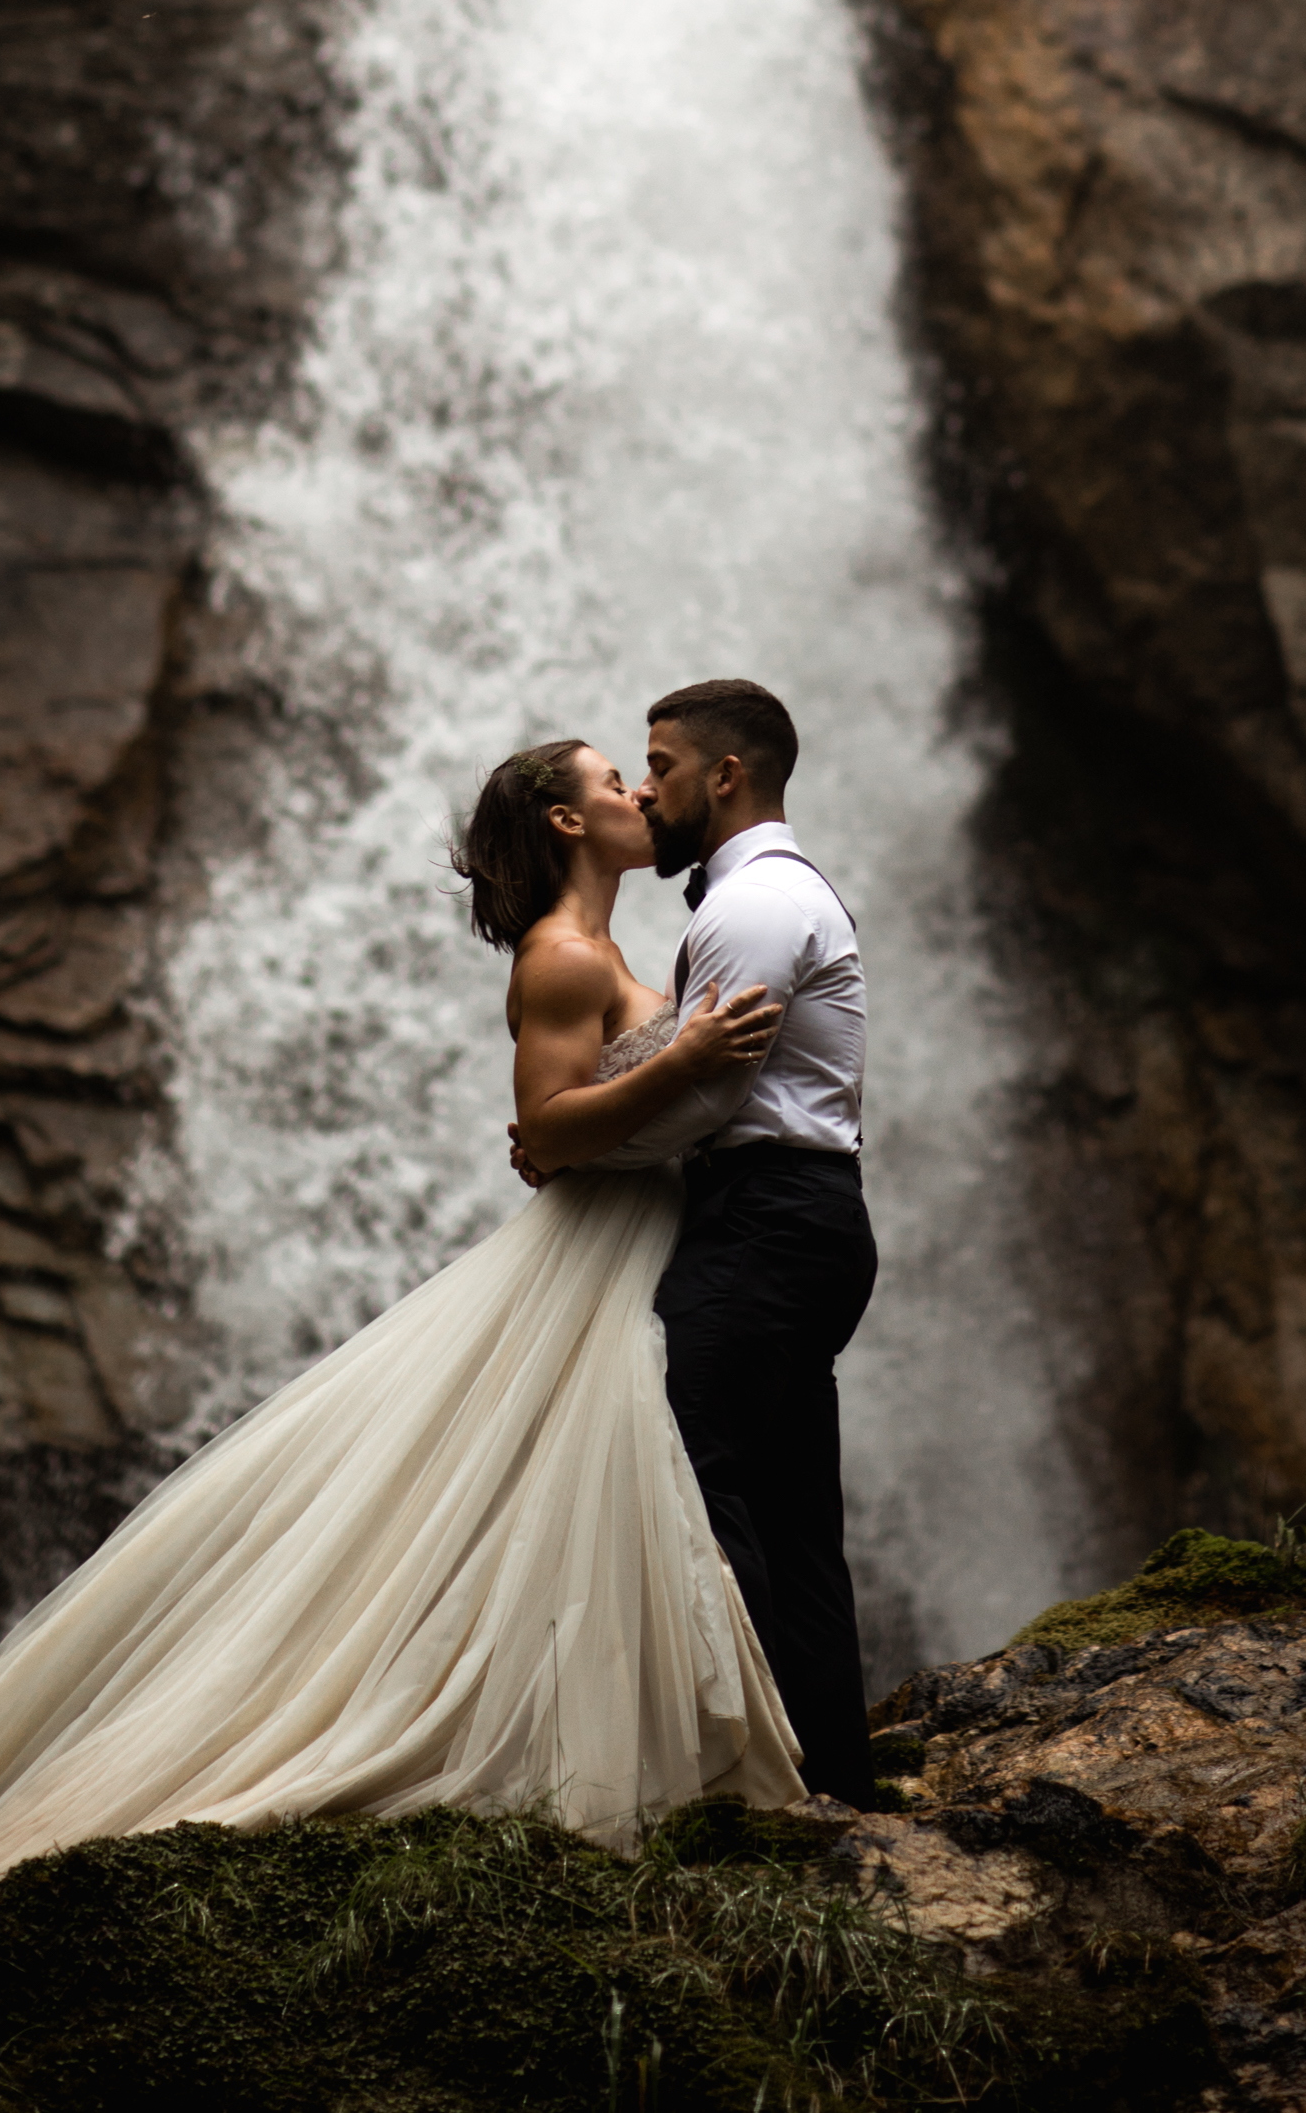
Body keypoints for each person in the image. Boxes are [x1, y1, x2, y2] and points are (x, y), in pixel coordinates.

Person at [0, 738, 803, 1963]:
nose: (641, 795)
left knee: (571, 1499)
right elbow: (549, 1122)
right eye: (614, 782)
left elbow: (567, 1121)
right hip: (595, 1256)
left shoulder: (607, 950)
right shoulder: (562, 956)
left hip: (623, 1252)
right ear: (563, 821)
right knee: (578, 1489)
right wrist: (686, 1059)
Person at [512, 680, 876, 1806]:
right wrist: (568, 1133)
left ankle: (751, 1775)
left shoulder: (753, 905)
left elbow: (705, 1104)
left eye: (658, 765)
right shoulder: (729, 907)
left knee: (693, 1478)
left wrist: (566, 1147)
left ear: (723, 776)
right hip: (785, 1216)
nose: (644, 786)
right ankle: (826, 1775)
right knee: (785, 1507)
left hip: (767, 1215)